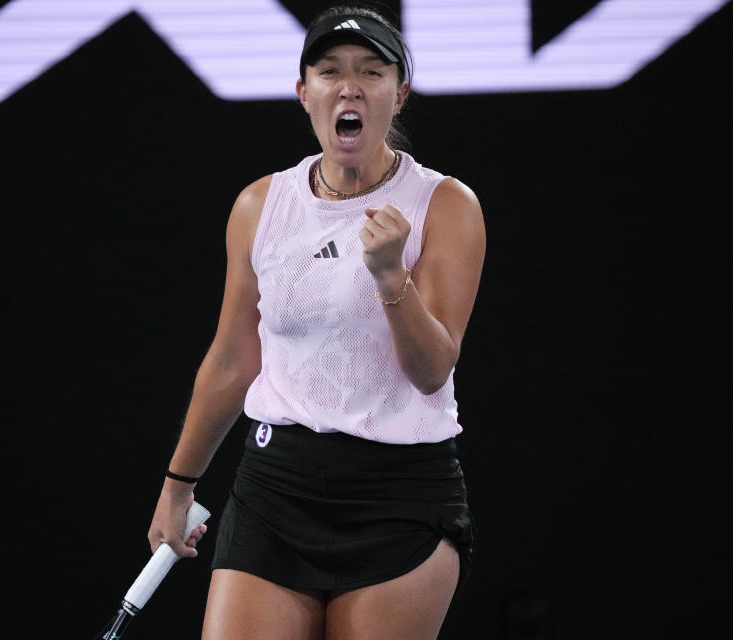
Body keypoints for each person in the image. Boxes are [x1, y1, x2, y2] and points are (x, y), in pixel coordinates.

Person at [147, 5, 486, 639]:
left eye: (371, 71)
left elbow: (432, 368)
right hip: (276, 488)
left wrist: (391, 277)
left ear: (399, 93)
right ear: (305, 94)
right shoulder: (260, 205)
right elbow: (231, 357)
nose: (349, 85)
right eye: (329, 71)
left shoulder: (445, 205)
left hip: (399, 499)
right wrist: (177, 485)